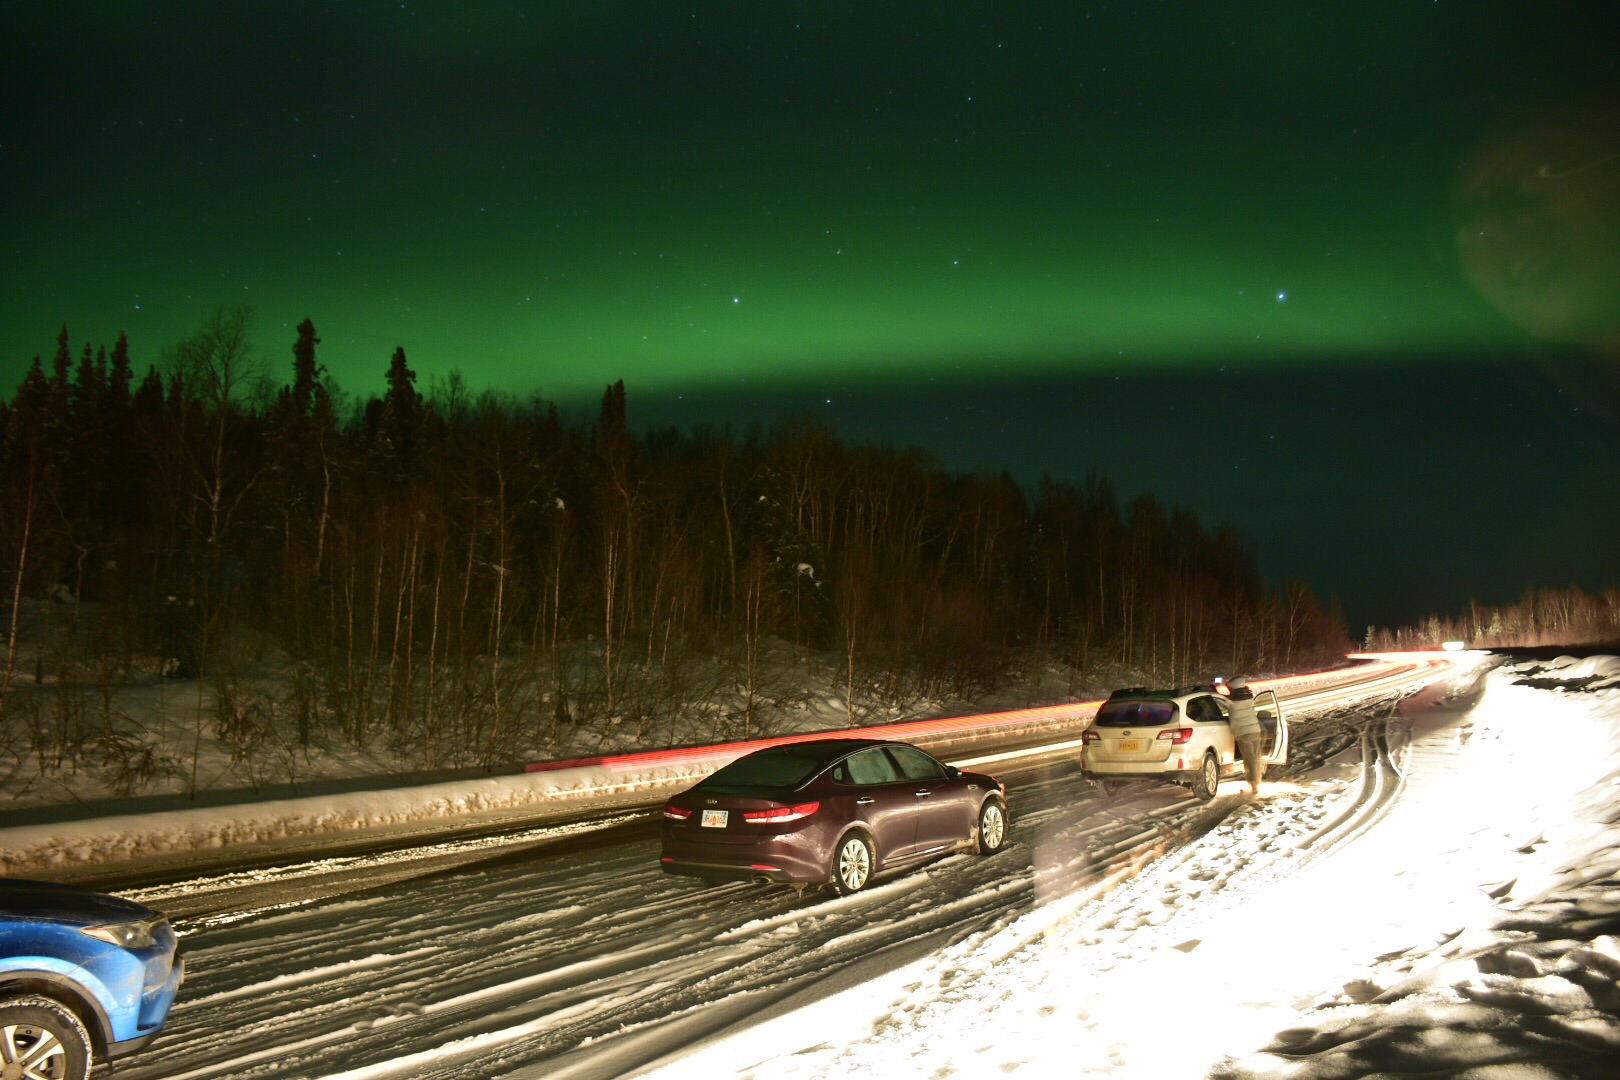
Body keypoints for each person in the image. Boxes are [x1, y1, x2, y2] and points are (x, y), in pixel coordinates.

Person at [1227, 677, 1265, 795]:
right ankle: (1257, 783)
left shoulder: (1232, 701)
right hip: (1255, 730)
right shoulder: (1249, 697)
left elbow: (1219, 701)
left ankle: (1254, 786)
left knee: (1249, 761)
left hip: (1244, 733)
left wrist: (1212, 691)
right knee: (1256, 759)